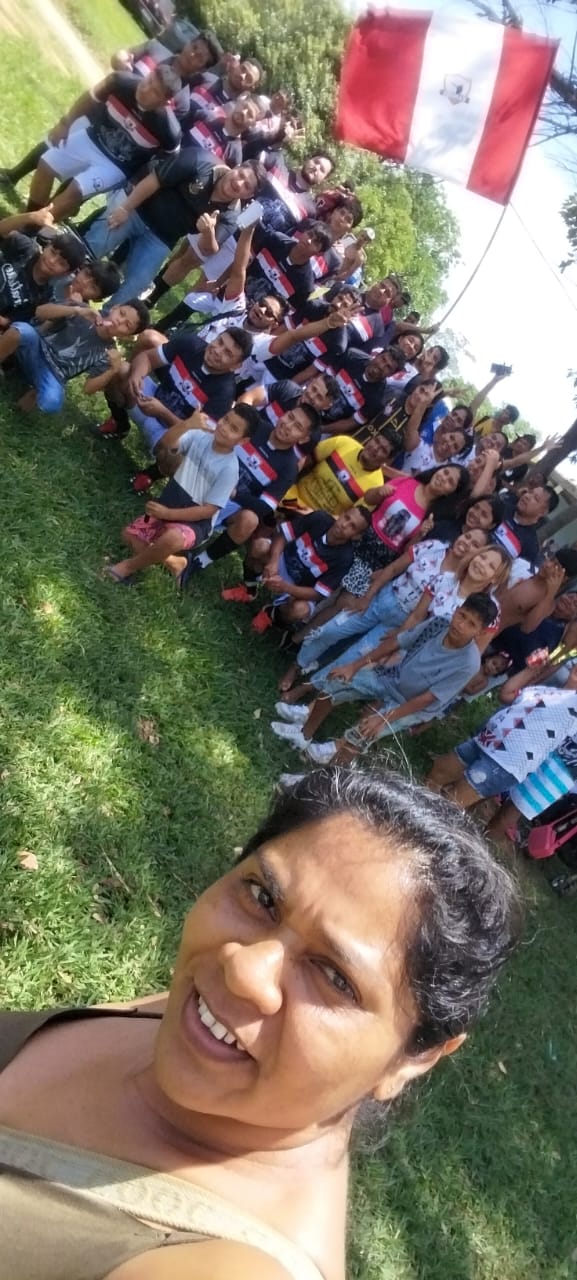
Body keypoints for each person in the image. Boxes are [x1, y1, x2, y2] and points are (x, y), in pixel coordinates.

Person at [0, 766, 520, 1280]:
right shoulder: (199, 1020)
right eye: (262, 898)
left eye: (334, 977)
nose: (244, 969)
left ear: (414, 1058)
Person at [271, 597, 497, 763]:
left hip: (412, 706)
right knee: (336, 680)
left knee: (363, 733)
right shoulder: (438, 623)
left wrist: (383, 719)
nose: (461, 625)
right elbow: (397, 642)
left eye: (471, 624)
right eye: (462, 615)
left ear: (480, 632)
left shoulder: (469, 664)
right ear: (456, 609)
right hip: (393, 678)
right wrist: (354, 666)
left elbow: (428, 699)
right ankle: (304, 735)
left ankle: (326, 782)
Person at [285, 527, 489, 685]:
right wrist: (367, 596)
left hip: (400, 623)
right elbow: (392, 569)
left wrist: (400, 635)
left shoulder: (460, 584)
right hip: (381, 599)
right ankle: (298, 665)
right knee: (332, 630)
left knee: (354, 657)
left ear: (478, 554)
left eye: (475, 545)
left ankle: (312, 687)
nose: (467, 543)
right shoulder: (432, 547)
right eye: (467, 537)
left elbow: (425, 617)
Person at [85, 153, 263, 306]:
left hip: (162, 238)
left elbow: (209, 250)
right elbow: (155, 179)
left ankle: (104, 322)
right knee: (95, 243)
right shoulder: (200, 160)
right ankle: (72, 280)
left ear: (248, 195)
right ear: (236, 167)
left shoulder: (232, 214)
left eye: (247, 186)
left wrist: (208, 233)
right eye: (241, 175)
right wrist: (126, 208)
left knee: (137, 285)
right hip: (138, 210)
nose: (239, 183)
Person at [105, 405, 256, 585]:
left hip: (196, 524)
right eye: (225, 420)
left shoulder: (229, 470)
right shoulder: (200, 436)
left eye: (233, 429)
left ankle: (127, 568)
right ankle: (176, 562)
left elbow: (208, 510)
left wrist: (168, 514)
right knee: (128, 536)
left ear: (243, 441)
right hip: (167, 505)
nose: (224, 427)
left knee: (172, 538)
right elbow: (166, 444)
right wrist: (187, 424)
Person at [180, 404, 321, 589]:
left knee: (250, 520)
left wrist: (234, 493)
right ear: (284, 413)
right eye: (290, 417)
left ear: (303, 438)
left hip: (229, 502)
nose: (288, 425)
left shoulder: (289, 467)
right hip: (205, 476)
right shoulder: (255, 426)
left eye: (297, 427)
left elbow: (266, 507)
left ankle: (199, 561)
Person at [102, 325, 253, 488]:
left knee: (180, 459)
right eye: (220, 342)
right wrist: (137, 375)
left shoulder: (224, 393)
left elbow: (198, 440)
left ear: (236, 366)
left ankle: (150, 474)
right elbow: (147, 358)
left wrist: (163, 412)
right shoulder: (191, 344)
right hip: (147, 398)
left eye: (228, 353)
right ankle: (119, 423)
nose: (218, 351)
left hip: (166, 434)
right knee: (122, 370)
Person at [28, 67, 182, 219]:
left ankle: (33, 227)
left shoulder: (170, 131)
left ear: (165, 102)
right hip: (93, 138)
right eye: (149, 80)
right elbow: (90, 98)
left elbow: (167, 163)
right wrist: (65, 124)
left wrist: (137, 179)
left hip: (117, 166)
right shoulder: (119, 81)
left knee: (76, 190)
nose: (145, 89)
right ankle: (29, 219)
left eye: (155, 92)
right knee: (46, 165)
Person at [427, 663, 577, 817]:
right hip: (487, 741)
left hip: (506, 763)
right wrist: (531, 669)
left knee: (451, 800)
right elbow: (506, 694)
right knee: (440, 770)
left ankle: (421, 822)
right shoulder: (545, 691)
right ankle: (416, 808)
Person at [0, 298, 150, 415]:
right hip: (36, 348)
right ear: (114, 308)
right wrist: (75, 310)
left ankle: (34, 390)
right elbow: (40, 312)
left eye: (127, 325)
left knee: (52, 402)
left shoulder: (109, 352)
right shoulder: (83, 311)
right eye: (121, 313)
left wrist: (113, 370)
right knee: (21, 331)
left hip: (54, 374)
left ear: (127, 336)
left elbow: (88, 389)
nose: (119, 321)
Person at [233, 506, 372, 629]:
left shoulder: (345, 558)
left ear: (356, 536)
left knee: (301, 610)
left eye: (352, 526)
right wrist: (273, 562)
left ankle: (270, 614)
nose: (344, 525)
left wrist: (286, 587)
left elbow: (317, 594)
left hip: (297, 588)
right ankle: (249, 589)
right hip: (282, 561)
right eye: (346, 517)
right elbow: (282, 536)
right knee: (260, 546)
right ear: (341, 514)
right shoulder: (320, 518)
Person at [279, 430, 399, 517]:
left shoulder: (375, 487)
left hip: (314, 521)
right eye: (376, 441)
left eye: (383, 450)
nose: (375, 448)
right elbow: (305, 461)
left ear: (387, 460)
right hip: (291, 496)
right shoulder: (344, 443)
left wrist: (311, 517)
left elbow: (348, 518)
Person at [0, 212, 85, 327]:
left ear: (67, 272)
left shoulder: (43, 298)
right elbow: (3, 230)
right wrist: (29, 217)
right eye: (52, 252)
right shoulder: (27, 249)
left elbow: (8, 322)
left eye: (61, 263)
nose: (52, 261)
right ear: (46, 246)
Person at [245, 224, 333, 309]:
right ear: (304, 232)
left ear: (319, 253)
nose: (309, 241)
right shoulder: (276, 240)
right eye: (310, 234)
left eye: (315, 243)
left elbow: (284, 311)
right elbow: (246, 258)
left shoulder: (304, 285)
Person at [182, 93, 265, 165]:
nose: (244, 112)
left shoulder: (235, 154)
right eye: (244, 106)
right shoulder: (207, 117)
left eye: (250, 114)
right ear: (238, 103)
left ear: (253, 125)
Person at [494, 485, 559, 567]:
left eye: (536, 498)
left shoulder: (530, 545)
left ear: (543, 512)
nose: (527, 496)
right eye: (530, 492)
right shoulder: (502, 507)